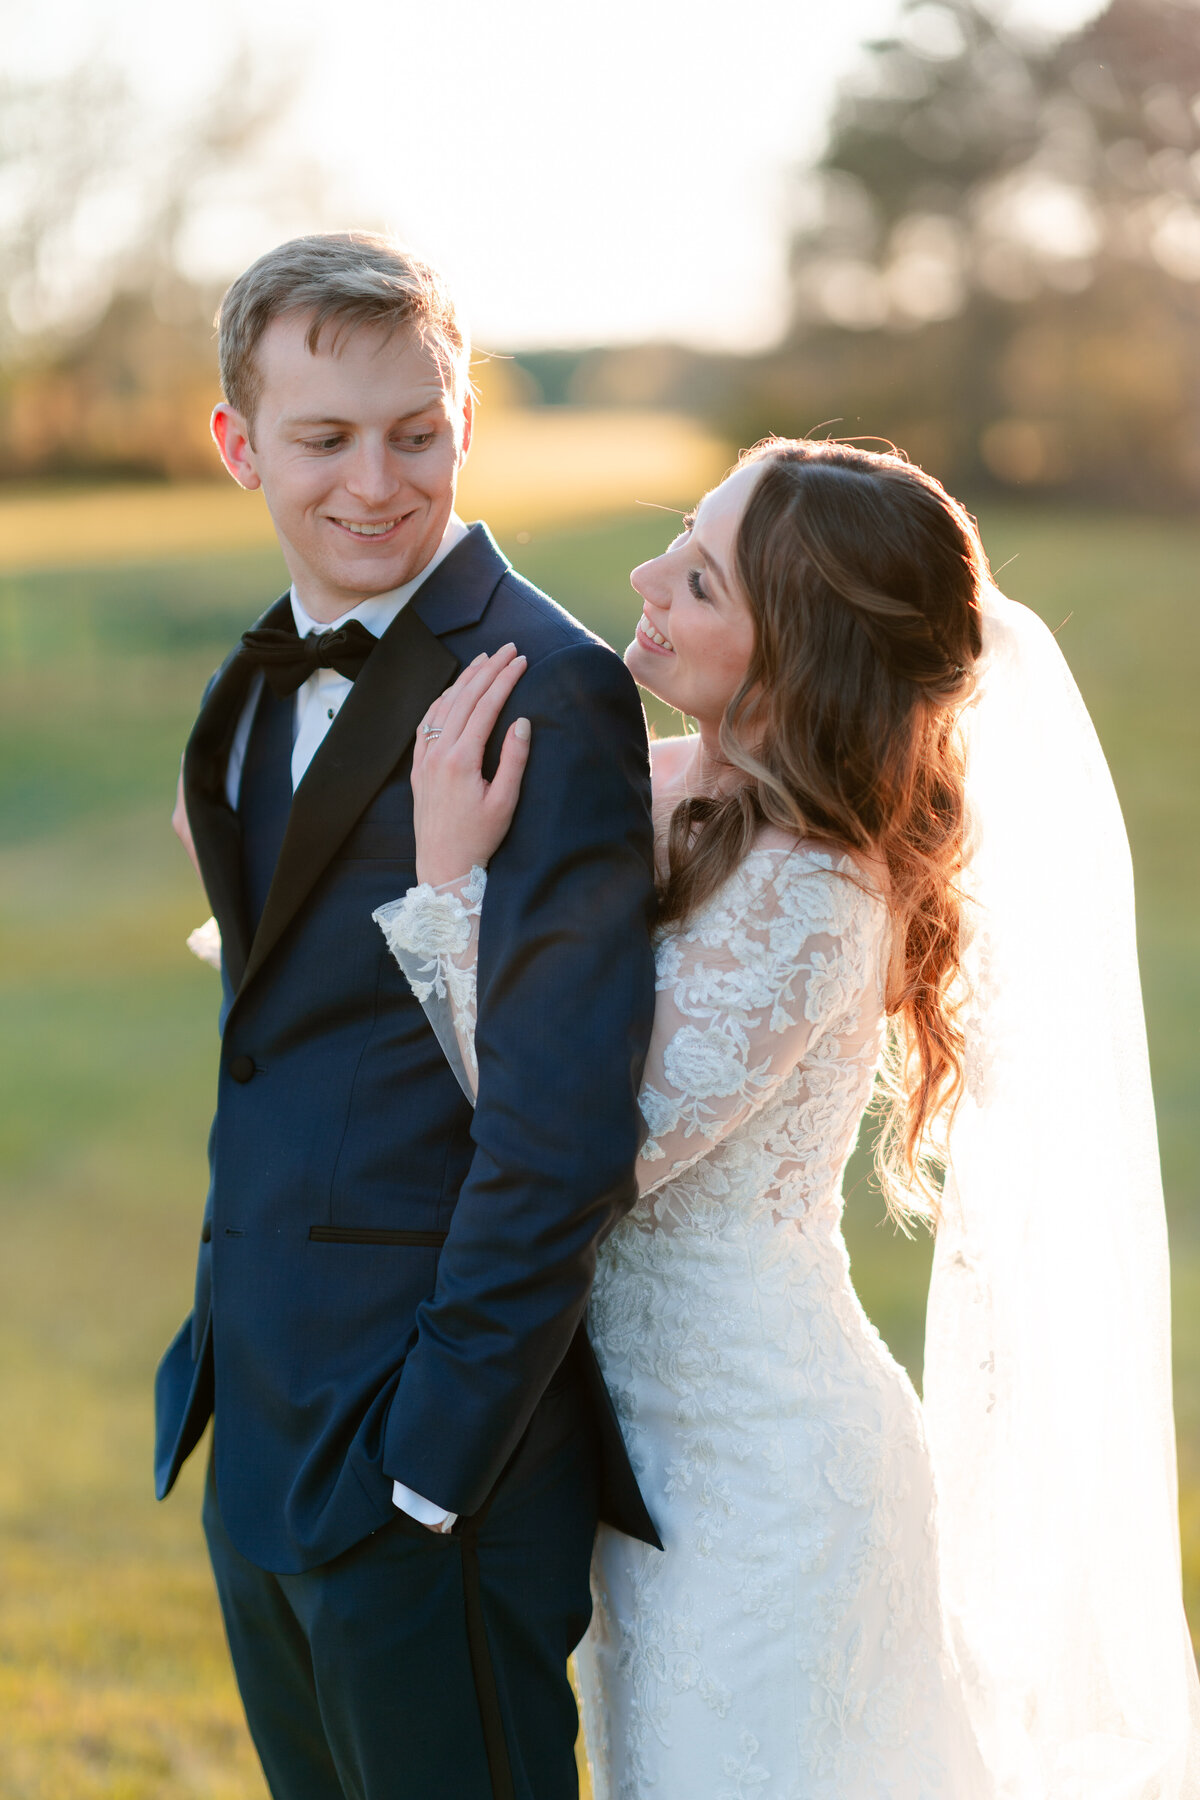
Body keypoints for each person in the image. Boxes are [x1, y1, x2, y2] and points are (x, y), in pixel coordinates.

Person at [377, 438, 1200, 1798]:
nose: (642, 577)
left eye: (697, 578)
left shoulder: (820, 897)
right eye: (676, 541)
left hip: (763, 1485)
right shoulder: (657, 784)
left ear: (798, 654)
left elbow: (588, 1143)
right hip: (642, 1470)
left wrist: (447, 892)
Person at [156, 232, 661, 1800]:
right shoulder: (248, 686)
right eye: (324, 440)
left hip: (427, 1449)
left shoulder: (552, 695)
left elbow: (563, 1124)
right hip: (265, 1422)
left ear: (462, 422)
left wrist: (436, 1464)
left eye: (416, 432)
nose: (377, 483)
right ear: (239, 445)